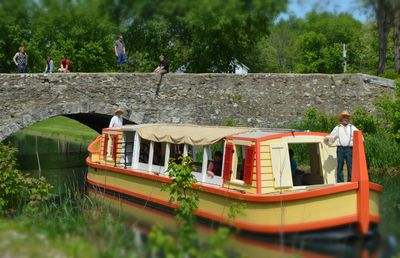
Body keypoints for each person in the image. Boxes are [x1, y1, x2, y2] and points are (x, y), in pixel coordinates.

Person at [324, 110, 359, 183]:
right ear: (341, 118)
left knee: (350, 166)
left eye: (347, 117)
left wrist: (361, 141)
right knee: (340, 165)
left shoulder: (352, 127)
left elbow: (359, 136)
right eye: (344, 117)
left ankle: (351, 181)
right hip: (340, 149)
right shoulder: (337, 128)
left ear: (348, 119)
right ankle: (340, 182)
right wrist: (327, 138)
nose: (345, 119)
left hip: (349, 149)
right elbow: (331, 136)